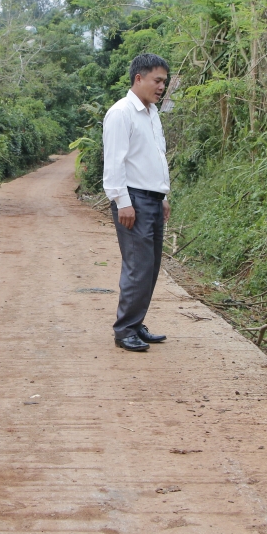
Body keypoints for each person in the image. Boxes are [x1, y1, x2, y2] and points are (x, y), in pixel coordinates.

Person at [102, 54, 172, 352]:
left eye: (164, 82)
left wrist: (164, 197)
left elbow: (155, 158)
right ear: (138, 79)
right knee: (137, 266)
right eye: (157, 81)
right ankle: (125, 329)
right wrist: (122, 202)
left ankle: (136, 321)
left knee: (151, 266)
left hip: (152, 199)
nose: (161, 87)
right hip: (134, 200)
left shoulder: (151, 112)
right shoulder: (121, 113)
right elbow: (114, 161)